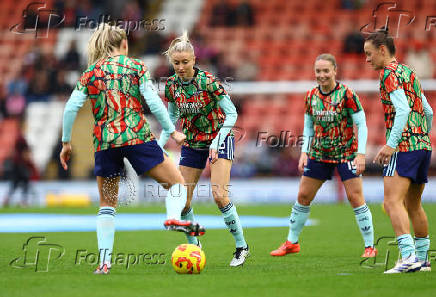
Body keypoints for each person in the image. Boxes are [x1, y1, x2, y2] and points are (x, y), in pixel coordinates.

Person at [59, 24, 204, 275]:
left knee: (107, 204)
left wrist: (66, 142)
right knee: (177, 185)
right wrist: (171, 131)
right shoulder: (136, 67)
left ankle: (104, 263)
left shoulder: (90, 72)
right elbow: (154, 102)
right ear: (124, 44)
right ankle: (173, 218)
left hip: (105, 144)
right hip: (137, 137)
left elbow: (71, 107)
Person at [270, 53, 376, 258]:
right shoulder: (310, 96)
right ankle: (292, 242)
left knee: (355, 198)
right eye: (318, 71)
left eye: (326, 70)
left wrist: (360, 154)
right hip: (319, 153)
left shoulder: (347, 94)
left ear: (335, 71)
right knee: (303, 196)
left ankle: (370, 246)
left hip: (345, 153)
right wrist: (304, 152)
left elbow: (361, 124)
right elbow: (308, 126)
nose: (322, 75)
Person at [158, 32, 249, 267]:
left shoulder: (208, 82)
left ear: (194, 60)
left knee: (219, 195)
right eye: (176, 63)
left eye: (185, 62)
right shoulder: (170, 87)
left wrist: (218, 141)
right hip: (192, 143)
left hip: (219, 139)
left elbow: (232, 113)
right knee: (184, 202)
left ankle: (241, 247)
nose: (180, 67)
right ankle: (194, 246)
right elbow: (170, 120)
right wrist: (158, 147)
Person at [364, 28, 433, 273]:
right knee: (413, 205)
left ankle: (408, 257)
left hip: (403, 147)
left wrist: (392, 144)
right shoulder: (409, 72)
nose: (367, 59)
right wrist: (423, 135)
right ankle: (423, 259)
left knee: (392, 202)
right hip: (423, 146)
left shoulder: (388, 74)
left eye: (369, 53)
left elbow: (402, 110)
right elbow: (428, 111)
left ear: (383, 50)